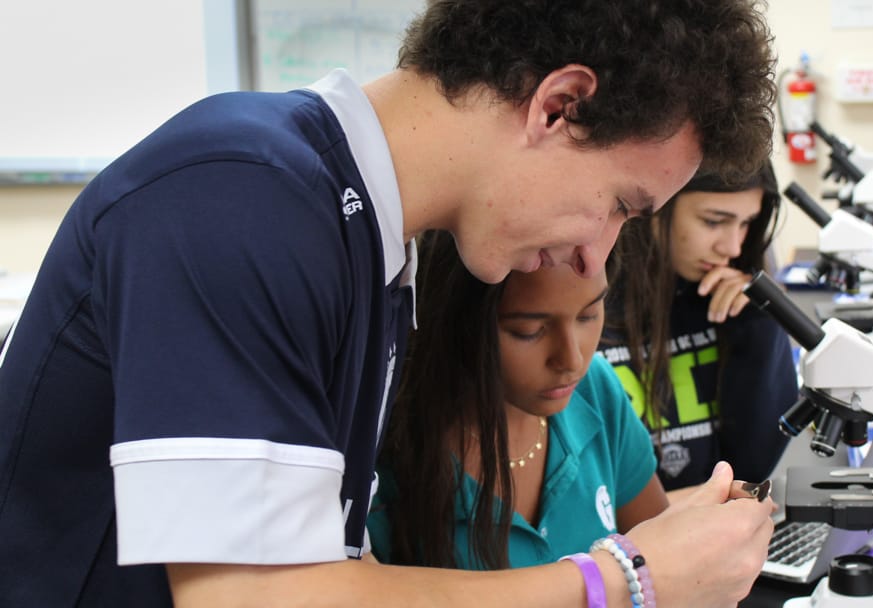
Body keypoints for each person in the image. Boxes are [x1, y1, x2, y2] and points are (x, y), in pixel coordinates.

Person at [0, 1, 776, 606]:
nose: (594, 255)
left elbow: (348, 576)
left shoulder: (371, 253)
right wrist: (626, 581)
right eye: (618, 204)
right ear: (559, 106)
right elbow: (262, 599)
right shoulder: (239, 193)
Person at [367, 231, 669, 570]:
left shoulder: (595, 390)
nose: (570, 360)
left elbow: (662, 560)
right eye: (529, 331)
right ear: (454, 322)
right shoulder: (385, 447)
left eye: (588, 315)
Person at [602, 161, 798, 501]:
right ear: (655, 206)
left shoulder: (737, 308)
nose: (733, 248)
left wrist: (759, 325)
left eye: (746, 224)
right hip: (614, 548)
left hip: (709, 538)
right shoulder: (589, 305)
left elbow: (752, 469)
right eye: (713, 222)